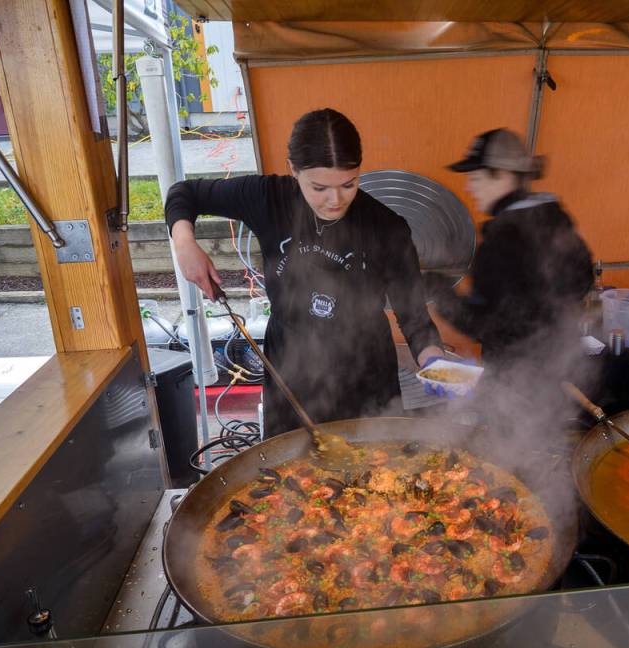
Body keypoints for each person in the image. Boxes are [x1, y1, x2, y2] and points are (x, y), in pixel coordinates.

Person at [165, 108, 444, 437]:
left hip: (367, 373)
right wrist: (184, 243)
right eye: (319, 187)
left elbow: (414, 318)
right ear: (293, 170)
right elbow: (184, 194)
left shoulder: (386, 227)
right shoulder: (270, 198)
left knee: (374, 472)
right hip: (290, 369)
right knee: (287, 476)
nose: (335, 200)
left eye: (348, 184)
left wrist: (435, 362)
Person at [431, 128, 594, 366]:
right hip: (563, 366)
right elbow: (583, 281)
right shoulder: (554, 220)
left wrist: (439, 291)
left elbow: (488, 326)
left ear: (504, 176)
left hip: (517, 378)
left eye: (476, 178)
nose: (468, 188)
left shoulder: (504, 241)